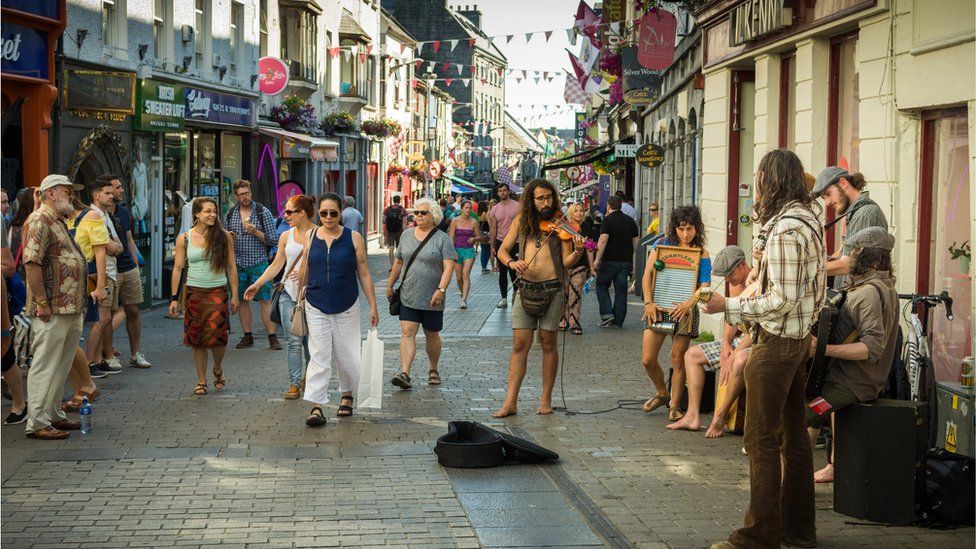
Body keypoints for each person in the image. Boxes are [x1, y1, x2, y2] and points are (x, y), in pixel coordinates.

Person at [703, 149, 824, 549]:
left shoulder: (789, 229)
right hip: (793, 340)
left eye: (759, 178)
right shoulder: (802, 221)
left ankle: (758, 535)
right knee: (793, 436)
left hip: (777, 343)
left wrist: (730, 305)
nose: (756, 184)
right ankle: (797, 530)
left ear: (770, 181)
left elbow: (782, 298)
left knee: (760, 440)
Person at [806, 227, 899, 484]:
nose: (851, 255)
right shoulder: (882, 286)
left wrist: (822, 349)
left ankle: (791, 481)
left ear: (871, 257)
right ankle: (807, 474)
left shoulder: (869, 293)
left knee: (807, 413)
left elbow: (871, 349)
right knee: (807, 407)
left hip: (853, 383)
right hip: (847, 377)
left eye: (856, 251)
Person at [492, 179, 587, 418]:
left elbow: (566, 262)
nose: (546, 202)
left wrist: (577, 252)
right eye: (540, 198)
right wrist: (512, 263)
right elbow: (502, 251)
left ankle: (546, 399)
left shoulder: (562, 224)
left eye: (549, 198)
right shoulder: (522, 221)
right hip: (525, 288)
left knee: (548, 344)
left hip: (553, 290)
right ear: (531, 200)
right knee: (519, 345)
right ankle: (510, 401)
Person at [298, 193, 379, 426]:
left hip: (347, 304)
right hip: (316, 303)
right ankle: (317, 405)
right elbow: (305, 267)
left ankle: (347, 395)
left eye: (333, 213)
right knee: (319, 355)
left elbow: (363, 273)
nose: (328, 217)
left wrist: (373, 305)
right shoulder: (310, 235)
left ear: (340, 213)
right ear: (318, 213)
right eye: (324, 213)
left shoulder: (353, 238)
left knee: (349, 354)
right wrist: (298, 295)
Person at [21, 175, 88, 439]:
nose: (70, 195)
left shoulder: (57, 220)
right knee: (45, 363)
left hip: (68, 306)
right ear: (51, 194)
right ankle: (37, 422)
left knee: (61, 364)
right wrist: (41, 302)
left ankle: (52, 414)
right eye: (67, 191)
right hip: (52, 307)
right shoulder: (39, 219)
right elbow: (31, 262)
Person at [639, 206, 711, 420]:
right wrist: (648, 302)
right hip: (658, 307)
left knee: (678, 359)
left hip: (685, 311)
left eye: (690, 229)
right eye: (681, 229)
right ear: (674, 228)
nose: (686, 234)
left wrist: (689, 303)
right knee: (647, 359)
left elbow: (705, 287)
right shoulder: (661, 246)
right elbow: (646, 275)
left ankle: (675, 406)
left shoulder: (702, 253)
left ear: (697, 228)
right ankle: (662, 392)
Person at [670, 245, 751, 432]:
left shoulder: (756, 283)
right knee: (692, 355)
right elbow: (732, 318)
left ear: (741, 266)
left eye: (729, 274)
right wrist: (724, 345)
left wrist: (732, 354)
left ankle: (721, 415)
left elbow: (754, 332)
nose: (727, 280)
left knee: (737, 361)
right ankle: (692, 416)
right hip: (740, 340)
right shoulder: (734, 282)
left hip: (755, 341)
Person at [244, 195, 317, 400]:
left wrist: (306, 272)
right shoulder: (286, 235)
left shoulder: (319, 234)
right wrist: (257, 284)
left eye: (289, 212)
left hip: (313, 295)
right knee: (293, 341)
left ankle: (311, 379)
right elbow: (276, 265)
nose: (285, 215)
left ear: (302, 213)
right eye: (285, 211)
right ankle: (294, 383)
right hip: (287, 293)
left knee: (312, 342)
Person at [169, 197, 239, 396]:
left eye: (214, 211)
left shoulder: (224, 237)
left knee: (218, 337)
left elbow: (231, 266)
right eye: (207, 211)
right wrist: (174, 298)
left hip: (218, 290)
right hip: (194, 293)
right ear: (197, 214)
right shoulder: (185, 238)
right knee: (197, 339)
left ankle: (217, 367)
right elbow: (178, 268)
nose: (212, 215)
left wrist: (235, 295)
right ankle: (201, 380)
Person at [387, 197, 457, 390]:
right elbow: (399, 261)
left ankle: (433, 369)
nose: (418, 215)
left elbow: (449, 267)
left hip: (433, 298)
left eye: (422, 212)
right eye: (415, 212)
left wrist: (441, 290)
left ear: (433, 216)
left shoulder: (442, 239)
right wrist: (390, 284)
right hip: (408, 294)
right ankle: (405, 373)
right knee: (407, 333)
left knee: (431, 335)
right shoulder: (406, 235)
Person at [72, 179, 123, 377]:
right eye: (107, 193)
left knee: (104, 317)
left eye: (112, 192)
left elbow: (118, 245)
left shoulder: (105, 215)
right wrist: (101, 285)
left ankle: (97, 360)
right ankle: (90, 362)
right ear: (96, 195)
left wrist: (116, 247)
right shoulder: (93, 215)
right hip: (97, 273)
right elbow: (105, 250)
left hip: (105, 272)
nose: (112, 196)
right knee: (101, 318)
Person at [224, 180, 279, 350]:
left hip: (259, 262)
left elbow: (273, 239)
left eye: (246, 193)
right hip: (238, 264)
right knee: (241, 300)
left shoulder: (263, 212)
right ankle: (247, 335)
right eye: (241, 194)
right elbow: (226, 239)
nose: (244, 197)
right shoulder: (231, 214)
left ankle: (272, 336)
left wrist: (255, 231)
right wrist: (230, 237)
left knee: (264, 300)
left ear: (251, 193)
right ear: (236, 196)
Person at [812, 167, 888, 288]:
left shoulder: (864, 214)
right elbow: (844, 251)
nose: (827, 203)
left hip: (861, 301)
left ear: (843, 183)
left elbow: (848, 264)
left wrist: (807, 268)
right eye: (824, 198)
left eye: (828, 194)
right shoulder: (855, 213)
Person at [106, 176, 151, 368]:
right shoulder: (97, 215)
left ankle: (135, 353)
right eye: (117, 188)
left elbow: (129, 239)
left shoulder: (123, 212)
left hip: (127, 267)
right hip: (110, 268)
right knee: (106, 314)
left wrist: (134, 262)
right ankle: (108, 354)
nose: (121, 190)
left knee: (133, 310)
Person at [594, 195, 639, 328]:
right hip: (625, 262)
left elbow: (603, 240)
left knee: (601, 285)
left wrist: (597, 259)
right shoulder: (630, 221)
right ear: (621, 206)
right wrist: (635, 264)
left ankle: (607, 314)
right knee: (621, 291)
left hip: (609, 260)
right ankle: (618, 321)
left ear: (608, 206)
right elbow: (636, 245)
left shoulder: (607, 220)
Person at [559, 203, 593, 335]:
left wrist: (592, 267)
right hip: (565, 264)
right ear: (571, 213)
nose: (579, 213)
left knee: (575, 292)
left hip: (581, 264)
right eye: (576, 211)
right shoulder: (565, 226)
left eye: (581, 211)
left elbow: (590, 249)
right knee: (564, 293)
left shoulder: (586, 227)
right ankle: (563, 321)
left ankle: (574, 323)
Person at [488, 183, 521, 308]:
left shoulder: (518, 207)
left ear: (508, 191)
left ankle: (516, 296)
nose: (502, 192)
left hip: (516, 242)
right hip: (501, 242)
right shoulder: (494, 209)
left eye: (504, 190)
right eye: (500, 191)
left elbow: (522, 226)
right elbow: (493, 229)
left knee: (515, 271)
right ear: (497, 193)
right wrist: (492, 246)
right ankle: (503, 298)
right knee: (502, 271)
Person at [449, 200, 483, 309]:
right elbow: (451, 237)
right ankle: (462, 292)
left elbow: (479, 236)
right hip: (457, 250)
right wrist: (452, 251)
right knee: (458, 278)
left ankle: (464, 299)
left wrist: (474, 238)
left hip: (469, 250)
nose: (468, 210)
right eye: (466, 208)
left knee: (465, 274)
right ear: (461, 209)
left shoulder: (474, 222)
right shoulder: (455, 220)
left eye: (470, 208)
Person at [383, 195, 406, 268]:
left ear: (393, 200)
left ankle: (392, 266)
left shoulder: (387, 209)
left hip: (390, 231)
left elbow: (384, 221)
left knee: (391, 248)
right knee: (399, 249)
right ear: (399, 200)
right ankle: (399, 265)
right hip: (399, 231)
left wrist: (385, 231)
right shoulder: (402, 210)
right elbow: (404, 222)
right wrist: (404, 231)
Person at [477, 201, 492, 272]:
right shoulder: (485, 214)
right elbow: (490, 224)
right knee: (488, 251)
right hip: (487, 234)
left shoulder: (478, 215)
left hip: (480, 234)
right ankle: (485, 266)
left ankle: (483, 266)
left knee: (483, 250)